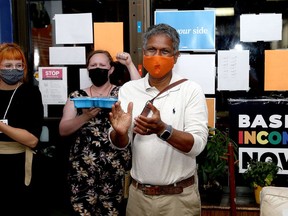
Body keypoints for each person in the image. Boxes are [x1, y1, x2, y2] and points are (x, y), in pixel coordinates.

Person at [108, 23, 209, 216]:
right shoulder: (128, 90)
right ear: (143, 52)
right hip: (138, 199)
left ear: (176, 56)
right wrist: (119, 133)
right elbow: (121, 144)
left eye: (165, 51)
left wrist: (163, 129)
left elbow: (197, 145)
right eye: (152, 50)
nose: (157, 56)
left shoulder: (190, 90)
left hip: (178, 200)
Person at [59, 50, 141, 215]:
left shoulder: (121, 93)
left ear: (110, 69)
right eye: (93, 65)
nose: (98, 68)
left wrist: (129, 64)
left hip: (114, 165)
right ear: (87, 69)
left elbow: (139, 90)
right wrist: (86, 116)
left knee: (111, 211)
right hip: (82, 167)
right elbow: (63, 129)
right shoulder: (77, 96)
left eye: (102, 65)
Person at [0, 43, 44, 215]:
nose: (14, 69)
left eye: (19, 65)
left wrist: (1, 126)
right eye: (8, 65)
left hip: (19, 167)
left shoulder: (30, 93)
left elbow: (32, 139)